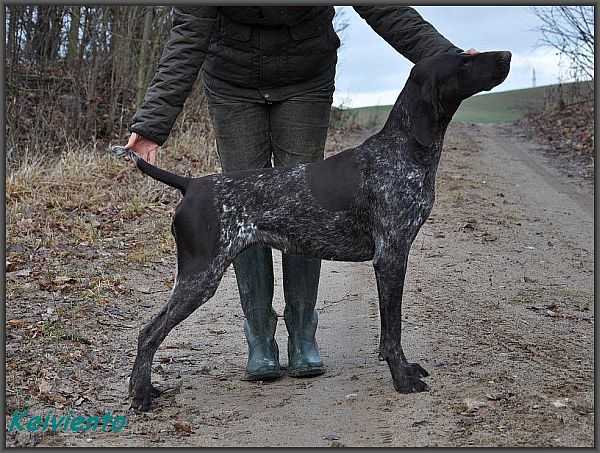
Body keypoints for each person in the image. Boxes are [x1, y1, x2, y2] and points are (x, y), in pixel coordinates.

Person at [126, 6, 477, 381]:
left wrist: (451, 58)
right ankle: (259, 334)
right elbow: (188, 33)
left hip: (305, 76)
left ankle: (302, 332)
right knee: (239, 212)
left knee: (311, 207)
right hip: (233, 80)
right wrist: (152, 124)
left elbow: (385, 8)